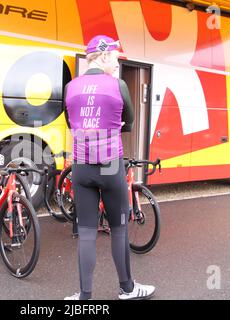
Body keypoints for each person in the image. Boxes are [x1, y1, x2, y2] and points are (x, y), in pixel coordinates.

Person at [62, 35, 156, 300]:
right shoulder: (119, 85)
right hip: (109, 165)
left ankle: (84, 296)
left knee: (87, 232)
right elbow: (131, 121)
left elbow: (71, 123)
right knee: (119, 228)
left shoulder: (71, 87)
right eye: (115, 58)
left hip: (82, 168)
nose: (116, 64)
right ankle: (127, 288)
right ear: (103, 56)